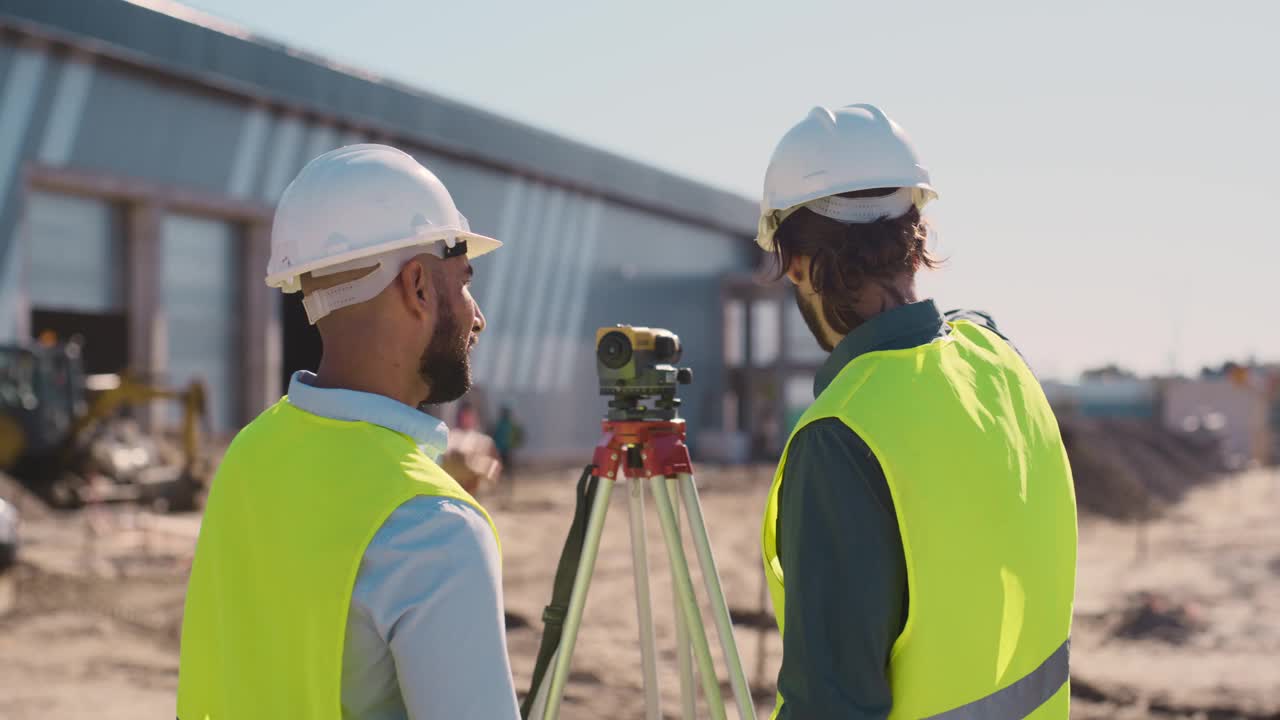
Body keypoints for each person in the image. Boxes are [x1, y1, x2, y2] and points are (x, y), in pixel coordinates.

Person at [755, 105, 1078, 720]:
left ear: (794, 261)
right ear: (915, 236)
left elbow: (831, 705)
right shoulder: (1001, 360)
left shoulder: (841, 435)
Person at [177, 145, 520, 719]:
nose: (476, 314)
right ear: (416, 285)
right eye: (463, 283)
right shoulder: (435, 531)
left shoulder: (249, 454)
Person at [491, 405, 523, 502]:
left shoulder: (503, 424)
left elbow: (494, 437)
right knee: (506, 473)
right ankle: (506, 491)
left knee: (503, 473)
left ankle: (505, 491)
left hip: (504, 452)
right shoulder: (509, 424)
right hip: (505, 452)